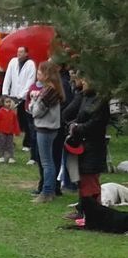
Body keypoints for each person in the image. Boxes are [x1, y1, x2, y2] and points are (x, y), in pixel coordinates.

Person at [62, 76, 110, 218]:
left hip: (94, 145)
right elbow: (70, 114)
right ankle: (84, 209)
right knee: (83, 179)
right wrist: (73, 124)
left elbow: (96, 124)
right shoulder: (85, 97)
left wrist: (78, 128)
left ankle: (93, 212)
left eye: (86, 80)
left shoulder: (100, 101)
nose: (82, 82)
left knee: (90, 179)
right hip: (84, 144)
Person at [28, 61, 64, 203]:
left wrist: (33, 102)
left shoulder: (49, 91)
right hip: (50, 128)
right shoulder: (53, 89)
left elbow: (36, 112)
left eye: (40, 72)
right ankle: (50, 190)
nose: (37, 75)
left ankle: (47, 192)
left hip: (45, 129)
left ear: (47, 75)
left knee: (47, 162)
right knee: (49, 161)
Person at [1, 46, 36, 153]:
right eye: (18, 52)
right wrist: (5, 92)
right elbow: (8, 77)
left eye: (21, 52)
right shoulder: (13, 62)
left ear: (26, 53)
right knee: (11, 120)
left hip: (24, 97)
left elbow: (30, 81)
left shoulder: (30, 64)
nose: (19, 54)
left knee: (26, 122)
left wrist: (21, 95)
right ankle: (8, 142)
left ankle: (27, 143)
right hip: (13, 95)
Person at [0, 97, 21, 163]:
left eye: (9, 102)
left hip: (10, 132)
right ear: (3, 103)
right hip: (1, 131)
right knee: (2, 144)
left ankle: (11, 157)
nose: (8, 104)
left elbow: (15, 123)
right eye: (7, 102)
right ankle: (1, 156)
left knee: (10, 145)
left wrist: (17, 131)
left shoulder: (12, 113)